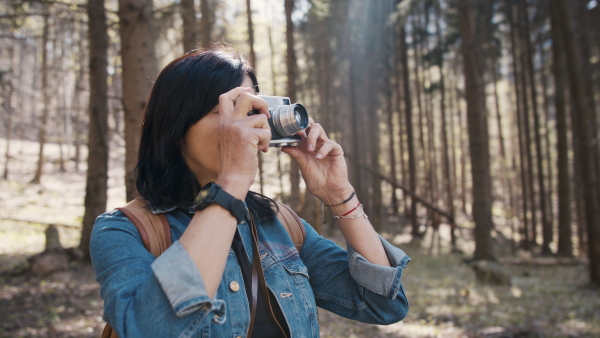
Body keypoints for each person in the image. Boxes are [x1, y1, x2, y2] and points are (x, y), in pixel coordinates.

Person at [90, 48, 410, 338]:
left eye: (253, 107)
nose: (248, 123)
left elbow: (384, 304)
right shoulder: (124, 231)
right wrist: (231, 182)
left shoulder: (278, 224)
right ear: (176, 125)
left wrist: (339, 195)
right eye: (230, 108)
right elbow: (148, 330)